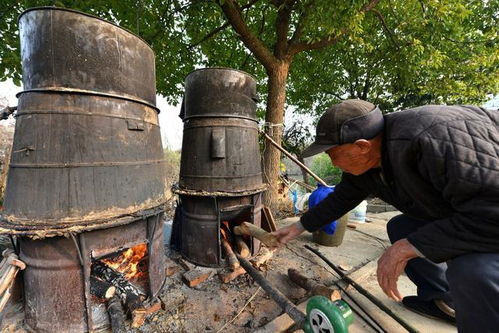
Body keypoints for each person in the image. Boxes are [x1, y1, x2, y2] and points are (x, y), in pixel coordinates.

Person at [272, 99, 499, 331]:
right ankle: (443, 300)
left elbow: (491, 214)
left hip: (491, 215)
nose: (333, 163)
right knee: (402, 228)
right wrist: (299, 226)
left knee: (472, 271)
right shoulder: (372, 156)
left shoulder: (434, 139)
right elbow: (344, 196)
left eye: (333, 154)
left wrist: (406, 248)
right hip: (475, 209)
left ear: (361, 146)